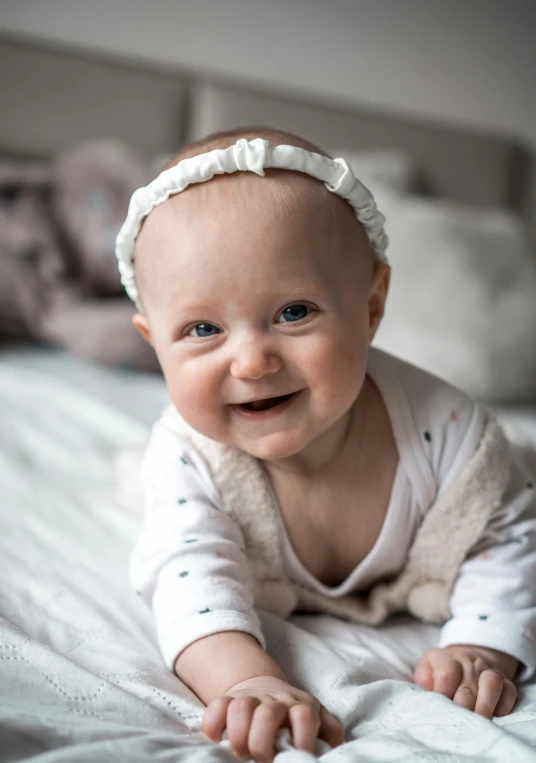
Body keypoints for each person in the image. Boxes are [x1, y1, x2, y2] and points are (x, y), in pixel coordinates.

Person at [115, 127, 536, 762]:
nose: (253, 362)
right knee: (159, 510)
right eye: (203, 328)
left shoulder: (450, 433)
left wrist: (485, 643)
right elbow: (187, 580)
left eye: (294, 312)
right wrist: (246, 680)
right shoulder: (189, 453)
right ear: (154, 342)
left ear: (370, 305)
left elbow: (505, 541)